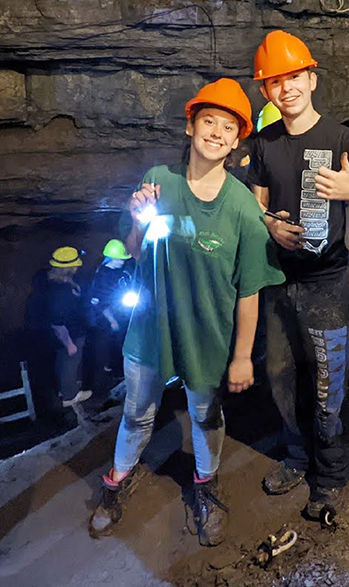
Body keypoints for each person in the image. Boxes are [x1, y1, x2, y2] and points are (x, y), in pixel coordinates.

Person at [88, 78, 285, 546]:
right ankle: (117, 480)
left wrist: (241, 356)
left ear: (238, 141)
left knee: (204, 416)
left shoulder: (242, 207)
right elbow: (136, 254)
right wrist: (137, 222)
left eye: (228, 126)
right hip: (151, 331)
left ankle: (205, 485)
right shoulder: (159, 181)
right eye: (208, 121)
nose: (216, 132)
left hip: (207, 337)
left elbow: (249, 290)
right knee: (137, 412)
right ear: (190, 126)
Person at [248, 30, 349, 520]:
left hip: (326, 282)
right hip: (276, 282)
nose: (286, 88)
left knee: (330, 383)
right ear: (266, 92)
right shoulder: (265, 144)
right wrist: (270, 224)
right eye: (275, 82)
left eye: (294, 77)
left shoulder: (340, 139)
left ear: (312, 79)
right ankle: (297, 456)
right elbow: (256, 207)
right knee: (280, 376)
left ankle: (330, 476)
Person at [29, 246, 92, 408]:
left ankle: (64, 390)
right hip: (69, 333)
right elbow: (58, 323)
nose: (78, 266)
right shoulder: (59, 291)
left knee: (63, 361)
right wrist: (69, 343)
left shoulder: (55, 281)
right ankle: (69, 396)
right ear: (68, 267)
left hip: (67, 331)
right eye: (75, 264)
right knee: (69, 363)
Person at [87, 239, 134, 378]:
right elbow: (99, 301)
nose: (122, 261)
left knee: (122, 340)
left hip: (123, 312)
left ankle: (119, 367)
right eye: (120, 259)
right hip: (110, 316)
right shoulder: (102, 274)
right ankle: (116, 370)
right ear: (111, 257)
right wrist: (112, 320)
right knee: (116, 343)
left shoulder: (121, 270)